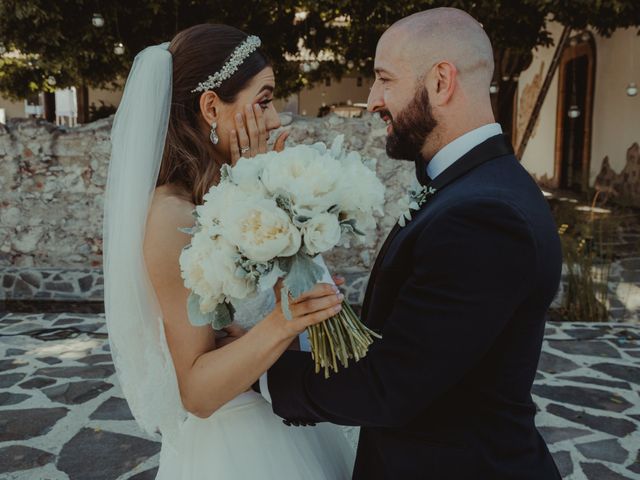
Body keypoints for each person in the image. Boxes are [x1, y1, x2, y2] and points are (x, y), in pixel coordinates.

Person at [255, 8, 563, 480]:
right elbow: (421, 341)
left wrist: (256, 371)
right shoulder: (473, 188)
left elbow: (390, 386)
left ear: (441, 81)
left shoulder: (485, 216)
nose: (373, 99)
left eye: (384, 79)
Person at [103, 24, 354, 479]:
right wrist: (285, 320)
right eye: (263, 99)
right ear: (211, 106)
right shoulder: (170, 216)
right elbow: (196, 391)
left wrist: (265, 196)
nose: (276, 118)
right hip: (239, 446)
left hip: (291, 420)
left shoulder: (240, 193)